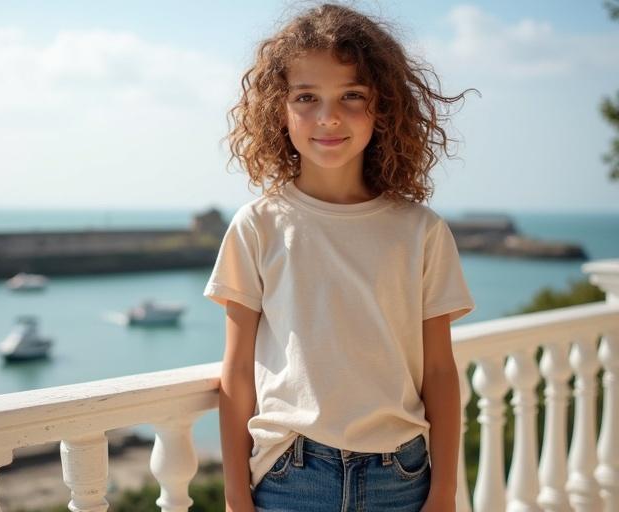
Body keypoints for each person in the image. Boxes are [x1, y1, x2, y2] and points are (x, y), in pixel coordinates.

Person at [203, 3, 477, 511]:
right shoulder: (257, 226)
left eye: (353, 96)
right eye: (307, 97)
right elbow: (237, 371)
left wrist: (444, 491)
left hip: (402, 477)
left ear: (385, 107)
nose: (328, 116)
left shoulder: (421, 231)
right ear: (278, 110)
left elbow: (439, 370)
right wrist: (236, 497)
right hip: (289, 477)